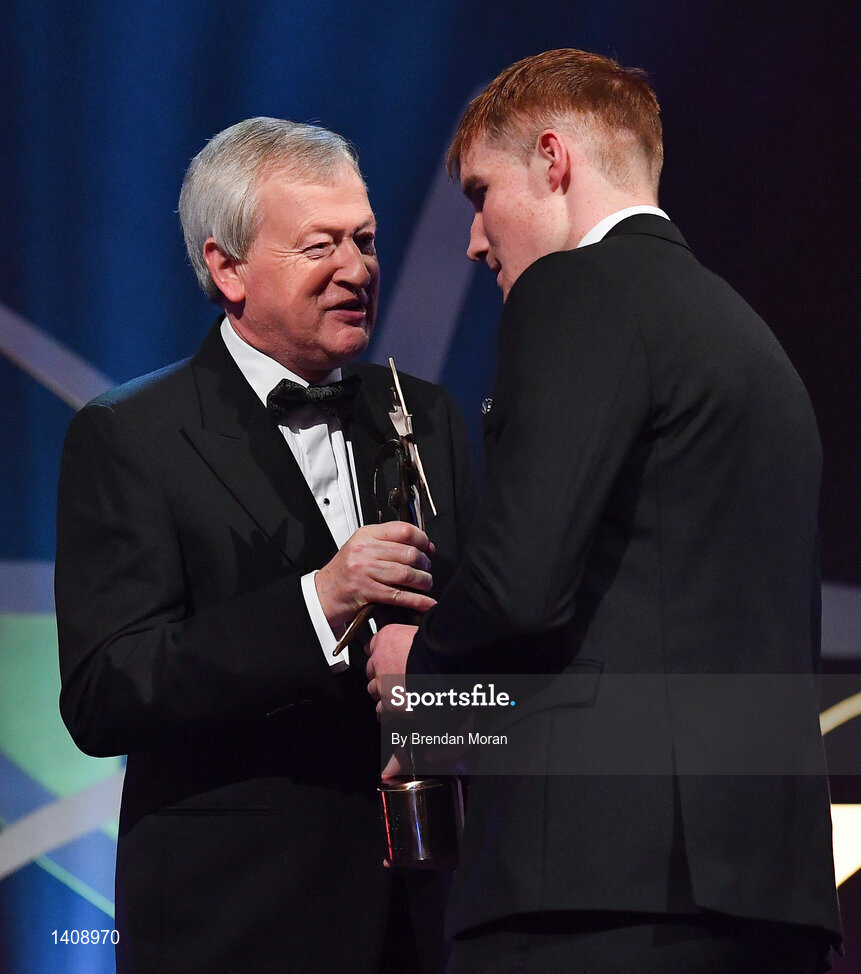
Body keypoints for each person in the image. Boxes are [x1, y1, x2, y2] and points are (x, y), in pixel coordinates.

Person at [366, 50, 842, 973]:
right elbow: (640, 631)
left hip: (595, 889)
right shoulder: (746, 337)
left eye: (479, 191)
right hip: (763, 895)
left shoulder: (575, 290)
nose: (472, 240)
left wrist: (416, 666)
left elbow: (519, 586)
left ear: (553, 160)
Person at [55, 117, 473, 974]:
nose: (356, 269)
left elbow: (477, 645)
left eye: (364, 240)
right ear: (226, 268)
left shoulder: (425, 414)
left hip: (426, 920)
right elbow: (104, 693)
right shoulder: (131, 434)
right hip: (234, 925)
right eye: (319, 245)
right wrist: (319, 603)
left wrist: (450, 701)